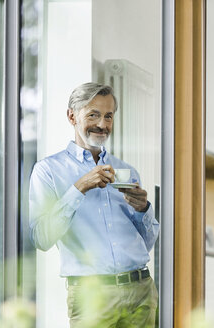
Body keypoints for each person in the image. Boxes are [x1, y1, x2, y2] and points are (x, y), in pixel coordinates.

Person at [29, 82, 160, 327]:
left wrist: (144, 209)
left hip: (141, 290)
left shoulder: (127, 171)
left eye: (108, 116)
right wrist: (79, 188)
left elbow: (147, 243)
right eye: (93, 115)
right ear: (71, 116)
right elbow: (41, 238)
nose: (102, 124)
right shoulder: (47, 171)